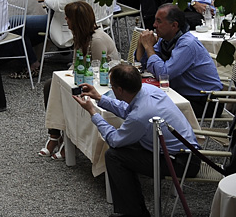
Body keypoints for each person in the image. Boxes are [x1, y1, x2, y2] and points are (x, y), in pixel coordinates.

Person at [73, 64, 200, 217]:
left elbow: (114, 140)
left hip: (181, 162)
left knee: (114, 156)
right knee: (124, 149)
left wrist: (93, 113)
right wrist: (99, 98)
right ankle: (134, 210)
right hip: (185, 152)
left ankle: (134, 213)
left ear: (119, 90)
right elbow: (127, 111)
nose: (111, 89)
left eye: (112, 86)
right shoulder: (148, 90)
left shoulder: (140, 116)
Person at [37, 1, 120, 158]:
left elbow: (95, 70)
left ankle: (71, 138)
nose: (66, 21)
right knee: (52, 84)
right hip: (85, 77)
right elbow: (76, 63)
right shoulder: (80, 36)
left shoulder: (96, 40)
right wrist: (64, 77)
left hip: (102, 83)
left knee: (72, 92)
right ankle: (55, 134)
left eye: (68, 18)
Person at [135, 3, 222, 114]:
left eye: (159, 21)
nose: (154, 25)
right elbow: (143, 64)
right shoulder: (165, 40)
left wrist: (148, 46)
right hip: (183, 94)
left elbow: (163, 74)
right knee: (145, 100)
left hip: (206, 101)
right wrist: (141, 43)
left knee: (152, 107)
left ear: (174, 25)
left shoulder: (187, 44)